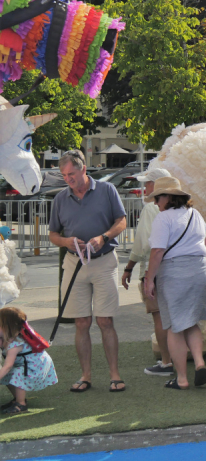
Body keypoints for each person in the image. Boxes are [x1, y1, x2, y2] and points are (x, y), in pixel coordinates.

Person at [48, 150, 128, 393]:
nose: (68, 179)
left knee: (105, 321)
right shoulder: (60, 198)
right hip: (74, 263)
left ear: (84, 169)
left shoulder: (106, 190)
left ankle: (115, 375)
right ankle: (86, 376)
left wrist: (103, 237)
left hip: (103, 261)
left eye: (71, 173)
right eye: (64, 175)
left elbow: (122, 221)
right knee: (81, 322)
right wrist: (66, 242)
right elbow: (53, 234)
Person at [143, 177, 206, 390]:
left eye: (158, 198)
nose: (156, 203)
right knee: (191, 322)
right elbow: (205, 241)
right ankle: (199, 363)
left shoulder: (163, 219)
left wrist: (149, 280)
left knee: (174, 326)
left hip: (175, 271)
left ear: (168, 197)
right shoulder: (196, 214)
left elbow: (157, 252)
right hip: (200, 269)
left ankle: (181, 378)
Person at [121, 166, 174, 377]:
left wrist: (129, 268)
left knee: (159, 317)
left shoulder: (152, 207)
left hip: (155, 268)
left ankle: (167, 362)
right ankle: (190, 360)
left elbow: (143, 245)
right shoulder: (185, 208)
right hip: (178, 269)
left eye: (148, 183)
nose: (145, 187)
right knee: (177, 317)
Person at [0, 307, 58, 414]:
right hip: (28, 365)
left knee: (16, 374)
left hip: (36, 367)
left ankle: (21, 404)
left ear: (7, 327)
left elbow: (8, 366)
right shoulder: (7, 338)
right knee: (8, 375)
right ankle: (17, 398)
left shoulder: (16, 343)